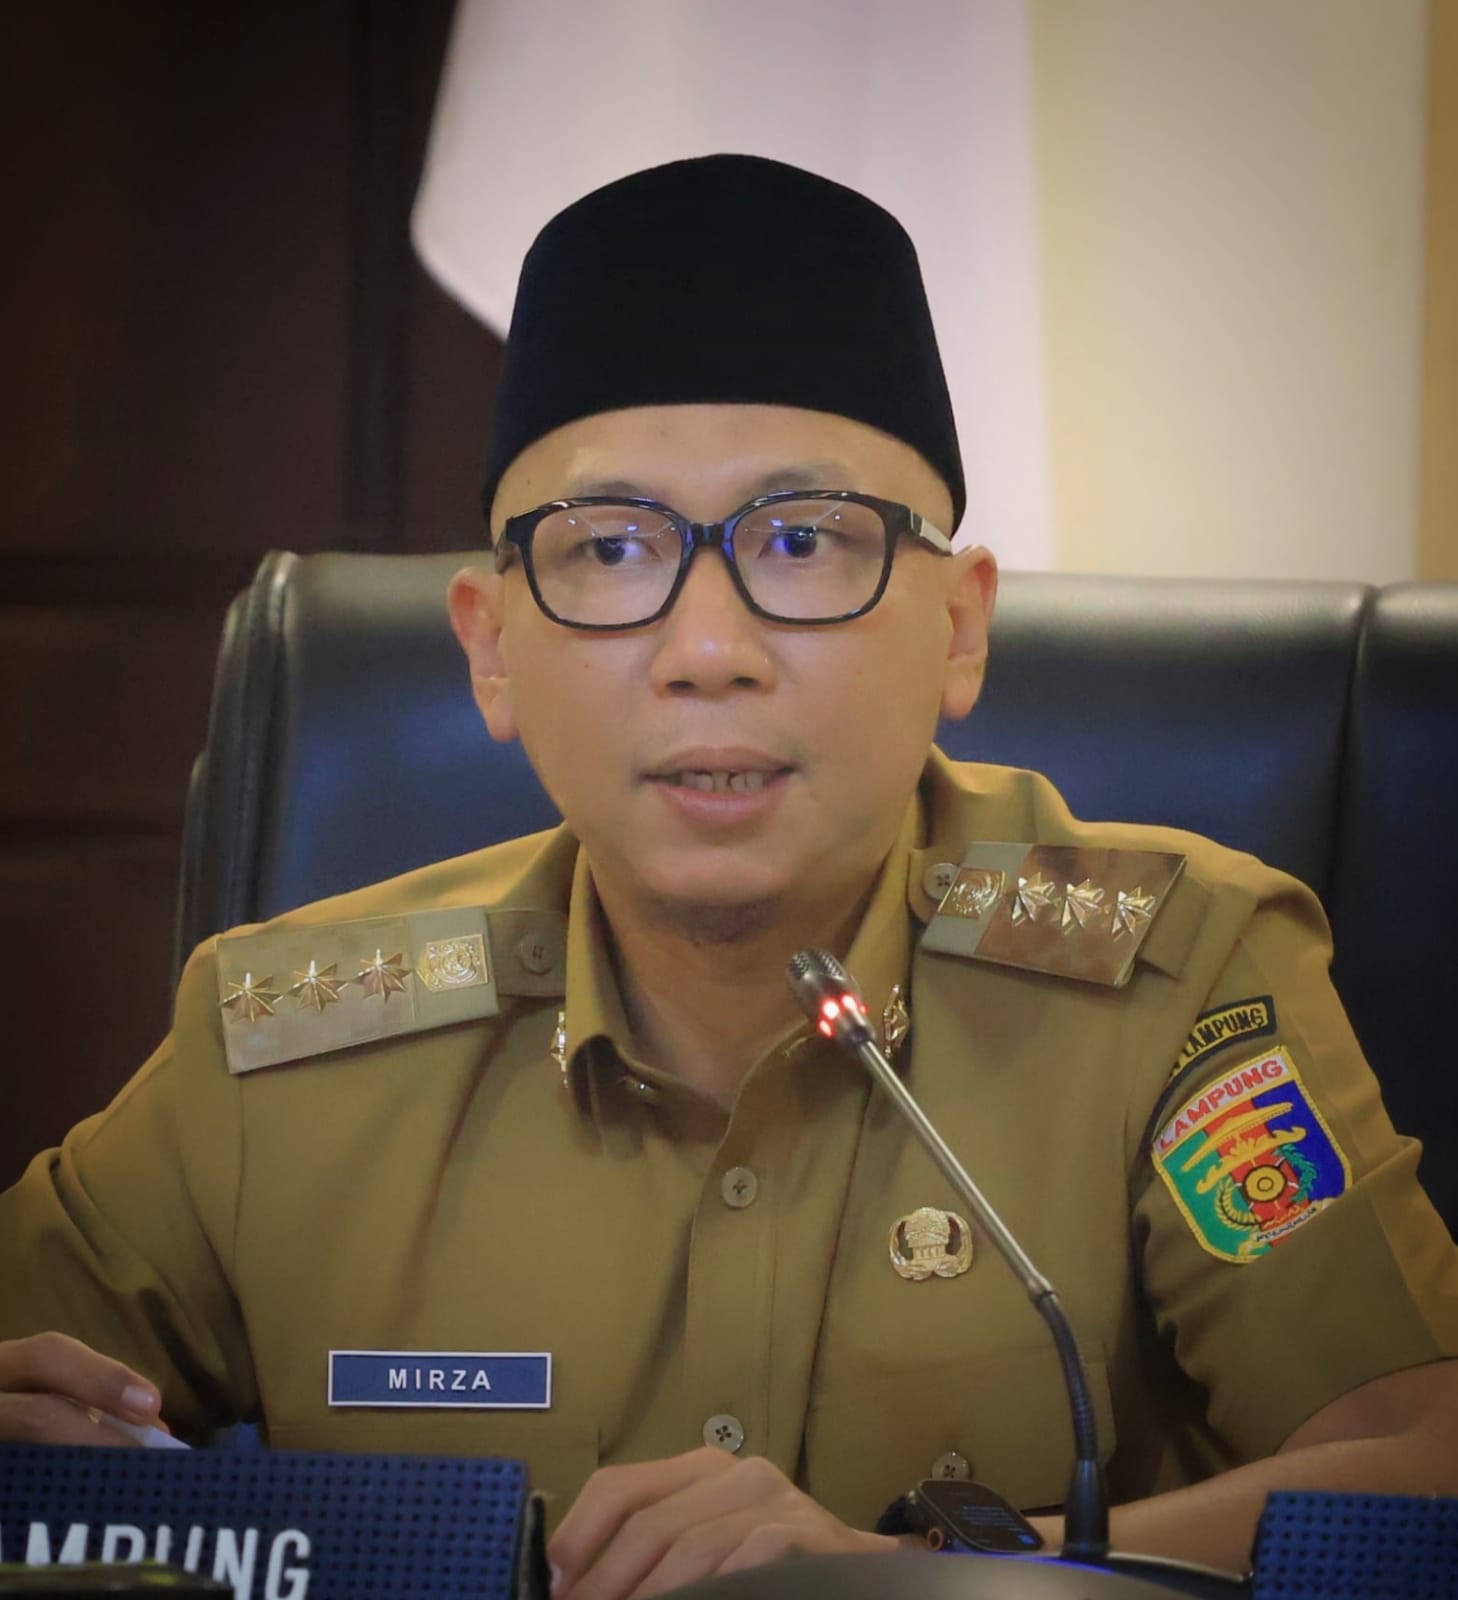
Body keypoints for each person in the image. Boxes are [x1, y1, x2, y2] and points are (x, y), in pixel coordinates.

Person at [3, 155, 1457, 1597]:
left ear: (959, 629)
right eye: (610, 549)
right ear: (491, 647)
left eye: (805, 541)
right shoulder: (282, 1048)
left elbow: (1426, 1466)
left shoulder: (1172, 981)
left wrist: (898, 1581)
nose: (709, 649)